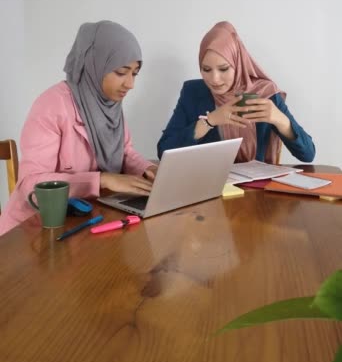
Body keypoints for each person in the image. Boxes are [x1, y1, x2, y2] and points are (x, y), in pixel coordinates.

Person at [0, 20, 157, 236]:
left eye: (135, 73)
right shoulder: (52, 105)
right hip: (33, 229)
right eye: (122, 72)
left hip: (80, 220)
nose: (130, 84)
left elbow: (125, 151)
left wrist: (148, 170)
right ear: (94, 64)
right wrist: (100, 180)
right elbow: (31, 184)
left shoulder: (109, 104)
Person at [157, 21, 315, 164]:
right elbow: (164, 150)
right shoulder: (192, 92)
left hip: (256, 190)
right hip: (208, 186)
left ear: (238, 64)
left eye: (223, 69)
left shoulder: (265, 93)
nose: (214, 79)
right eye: (206, 69)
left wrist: (280, 119)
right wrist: (210, 121)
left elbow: (308, 155)